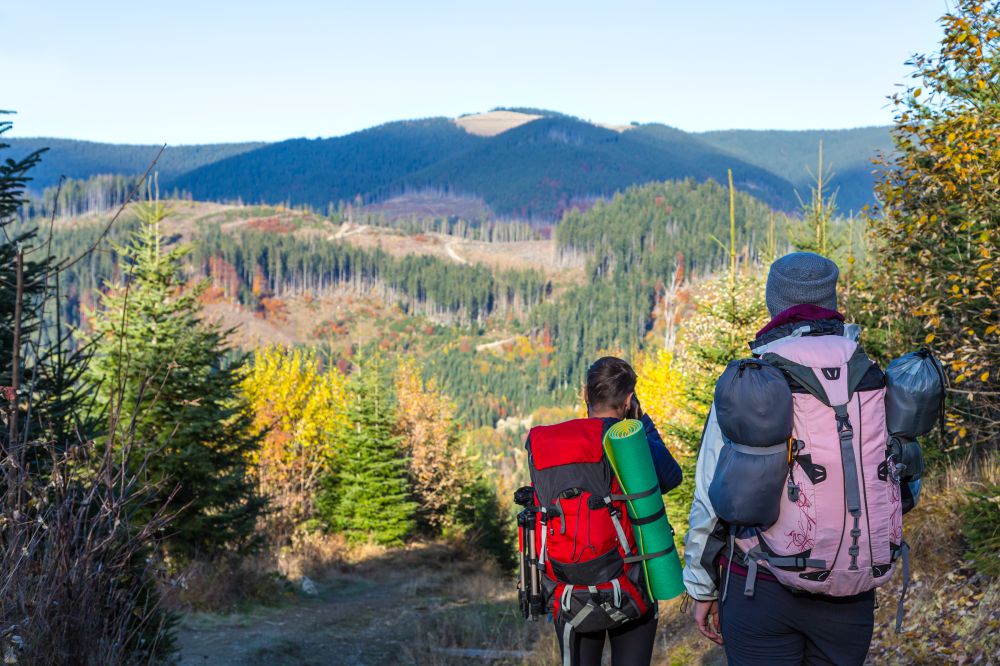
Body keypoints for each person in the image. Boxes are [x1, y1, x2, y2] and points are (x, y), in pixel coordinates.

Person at [684, 252, 885, 665]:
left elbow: (710, 494)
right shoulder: (869, 374)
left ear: (773, 303)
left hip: (760, 585)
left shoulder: (753, 379)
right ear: (830, 300)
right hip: (850, 593)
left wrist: (702, 586)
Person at [526, 356, 682, 666]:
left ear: (586, 394)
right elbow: (670, 477)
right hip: (629, 584)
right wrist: (643, 424)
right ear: (627, 399)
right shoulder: (625, 441)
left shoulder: (547, 443)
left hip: (569, 588)